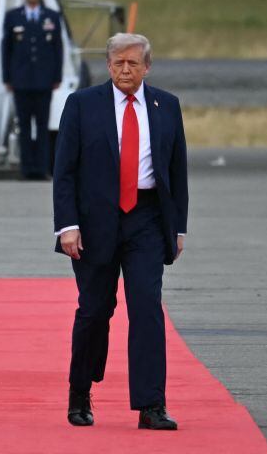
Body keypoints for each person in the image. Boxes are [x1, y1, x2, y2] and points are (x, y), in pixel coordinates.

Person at [53, 32, 188, 432]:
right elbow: (64, 172)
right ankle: (80, 391)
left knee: (147, 307)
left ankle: (151, 404)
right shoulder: (82, 106)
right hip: (95, 221)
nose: (124, 69)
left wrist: (177, 227)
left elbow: (177, 172)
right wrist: (68, 226)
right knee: (95, 310)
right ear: (108, 65)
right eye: (117, 63)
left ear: (147, 66)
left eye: (132, 63)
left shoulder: (167, 106)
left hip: (146, 219)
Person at [1, 0, 64, 180]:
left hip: (44, 81)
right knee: (25, 126)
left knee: (43, 126)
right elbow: (6, 49)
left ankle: (42, 167)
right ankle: (27, 168)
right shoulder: (13, 17)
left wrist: (57, 76)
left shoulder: (51, 16)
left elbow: (57, 49)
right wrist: (7, 77)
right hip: (21, 81)